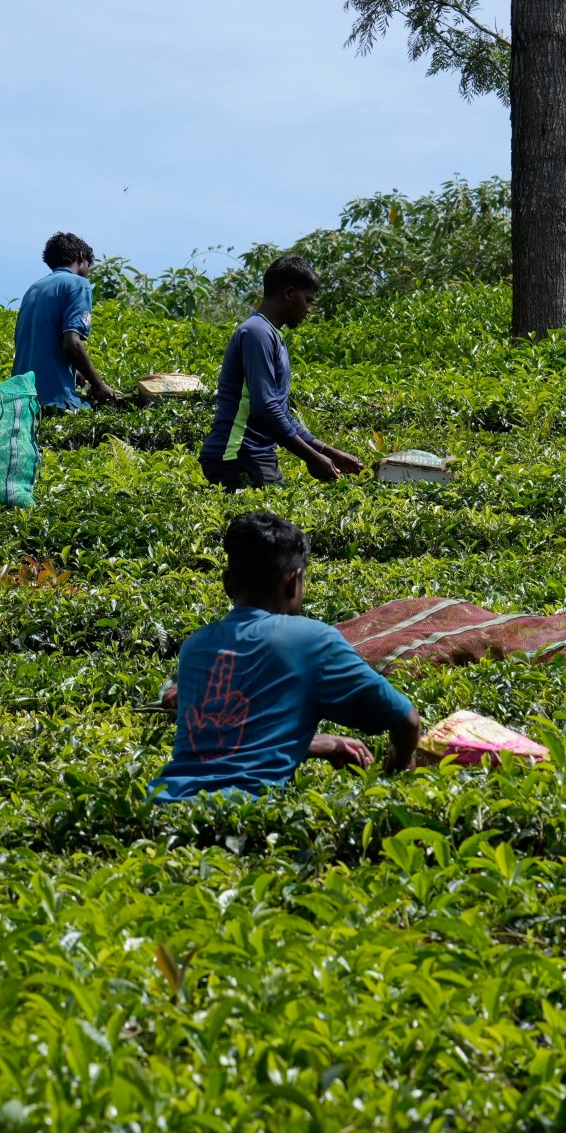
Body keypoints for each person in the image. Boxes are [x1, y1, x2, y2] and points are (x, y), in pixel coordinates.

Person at [151, 511, 423, 802]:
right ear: (294, 581)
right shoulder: (312, 640)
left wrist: (322, 744)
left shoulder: (195, 646)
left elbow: (229, 738)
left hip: (159, 805)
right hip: (238, 816)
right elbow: (407, 720)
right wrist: (403, 760)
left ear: (228, 583)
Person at [198, 255, 365, 490]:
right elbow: (265, 408)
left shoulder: (270, 334)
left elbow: (281, 413)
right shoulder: (257, 333)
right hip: (238, 455)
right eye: (307, 300)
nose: (309, 310)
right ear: (288, 294)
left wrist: (328, 452)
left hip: (253, 455)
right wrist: (312, 457)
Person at [12, 231, 123, 411]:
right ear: (81, 258)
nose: (88, 272)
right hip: (54, 401)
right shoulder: (78, 284)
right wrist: (99, 385)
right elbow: (71, 344)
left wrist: (75, 373)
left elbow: (39, 348)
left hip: (21, 402)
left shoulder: (33, 289)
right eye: (89, 264)